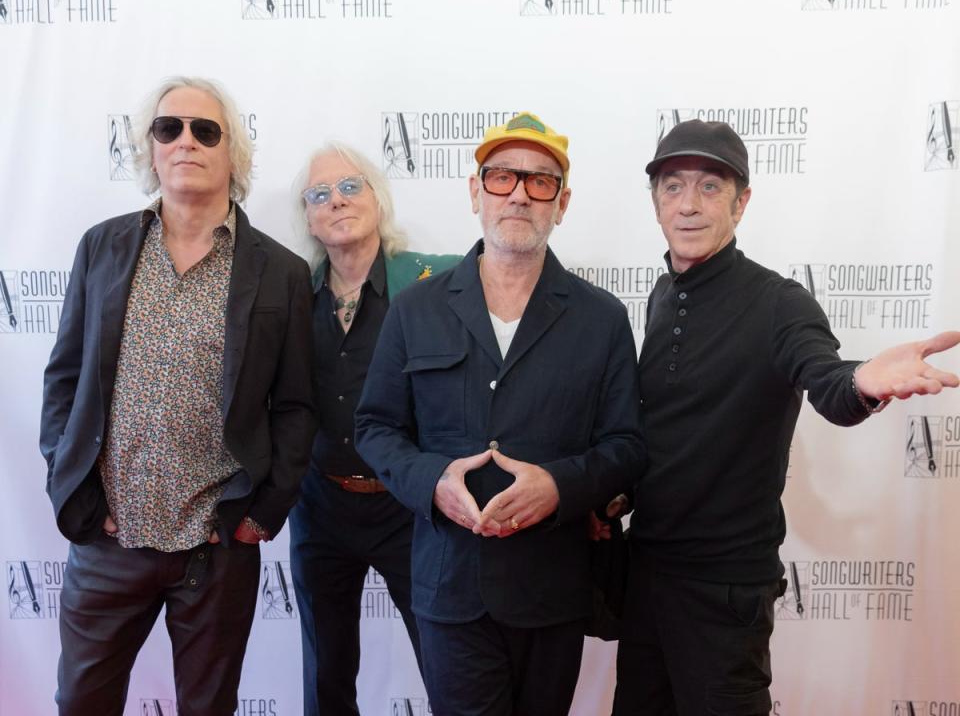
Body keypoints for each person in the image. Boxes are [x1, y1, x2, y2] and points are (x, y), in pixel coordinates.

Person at [613, 119, 960, 716]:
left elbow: (824, 378)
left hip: (725, 591)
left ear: (742, 202)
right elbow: (668, 428)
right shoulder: (661, 294)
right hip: (646, 571)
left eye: (710, 187)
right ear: (655, 202)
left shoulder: (778, 302)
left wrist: (860, 381)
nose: (689, 204)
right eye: (672, 187)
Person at [38, 76, 316, 716]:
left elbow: (298, 407)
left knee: (209, 707)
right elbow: (62, 380)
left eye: (205, 130)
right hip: (108, 542)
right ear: (151, 148)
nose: (185, 141)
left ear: (232, 155)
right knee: (81, 702)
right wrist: (71, 485)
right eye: (169, 128)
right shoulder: (102, 247)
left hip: (215, 549)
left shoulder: (280, 272)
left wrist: (263, 512)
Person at [354, 112, 645, 716]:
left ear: (561, 204)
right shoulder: (415, 310)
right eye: (502, 177)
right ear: (474, 192)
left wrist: (558, 486)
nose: (518, 193)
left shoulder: (602, 318)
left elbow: (626, 445)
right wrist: (432, 482)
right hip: (449, 586)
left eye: (540, 182)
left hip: (553, 590)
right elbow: (376, 429)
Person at [288, 142, 459, 716]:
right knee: (325, 674)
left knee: (447, 665)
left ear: (378, 200)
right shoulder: (290, 295)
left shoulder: (434, 284)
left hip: (407, 508)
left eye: (349, 186)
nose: (336, 201)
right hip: (320, 507)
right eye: (319, 195)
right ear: (308, 218)